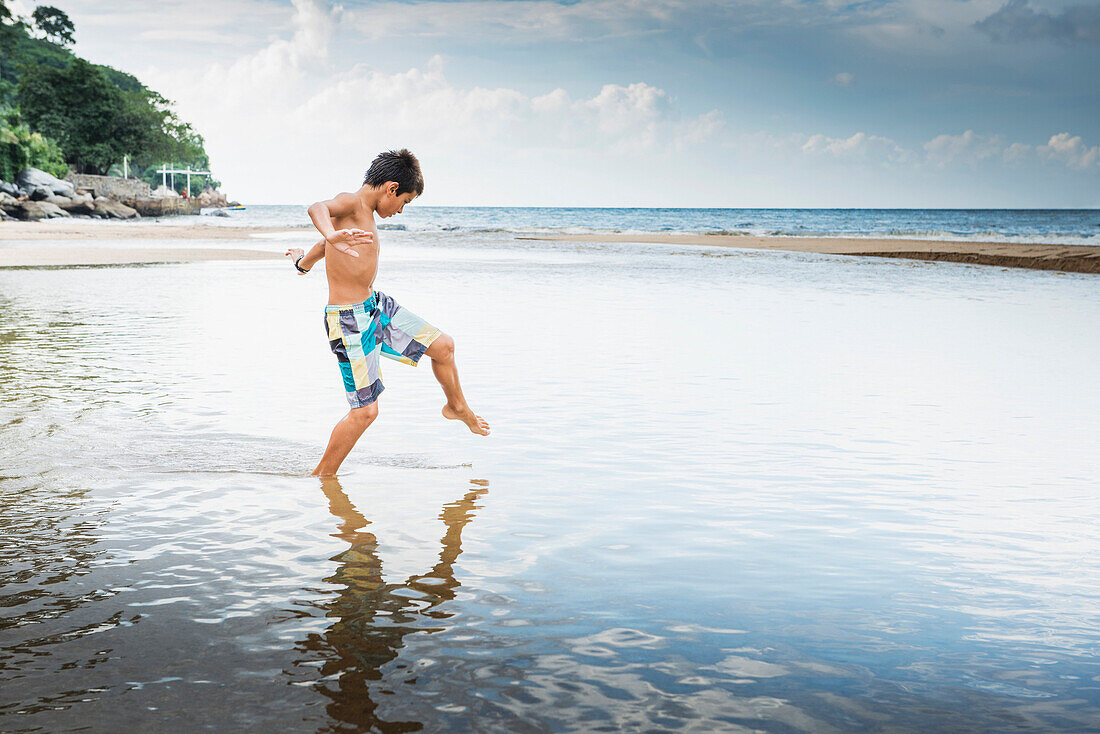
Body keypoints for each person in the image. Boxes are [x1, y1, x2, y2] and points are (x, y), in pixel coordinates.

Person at [286, 149, 490, 476]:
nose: (400, 211)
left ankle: (456, 406)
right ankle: (322, 476)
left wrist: (303, 263)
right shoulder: (351, 202)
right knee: (366, 412)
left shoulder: (362, 215)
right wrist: (330, 233)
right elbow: (318, 208)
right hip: (349, 321)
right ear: (391, 189)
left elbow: (326, 248)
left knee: (444, 347)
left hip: (376, 307)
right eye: (404, 202)